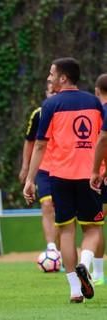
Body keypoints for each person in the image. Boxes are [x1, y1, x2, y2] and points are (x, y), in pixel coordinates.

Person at [24, 57, 103, 304]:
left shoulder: (51, 105)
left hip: (59, 176)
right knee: (92, 229)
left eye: (51, 74)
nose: (49, 78)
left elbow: (40, 144)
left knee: (66, 231)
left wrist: (30, 179)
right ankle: (85, 263)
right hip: (89, 175)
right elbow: (103, 138)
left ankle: (75, 290)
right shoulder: (94, 102)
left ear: (63, 78)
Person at [19, 81, 59, 254]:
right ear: (46, 94)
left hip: (64, 167)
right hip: (44, 168)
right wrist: (25, 167)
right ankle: (51, 249)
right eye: (49, 92)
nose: (52, 95)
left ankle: (62, 250)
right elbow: (30, 142)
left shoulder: (68, 112)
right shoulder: (38, 114)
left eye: (55, 92)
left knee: (63, 210)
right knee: (47, 205)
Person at [91, 73, 107, 285]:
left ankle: (99, 274)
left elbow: (103, 139)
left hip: (102, 175)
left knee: (97, 224)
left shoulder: (103, 112)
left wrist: (97, 170)